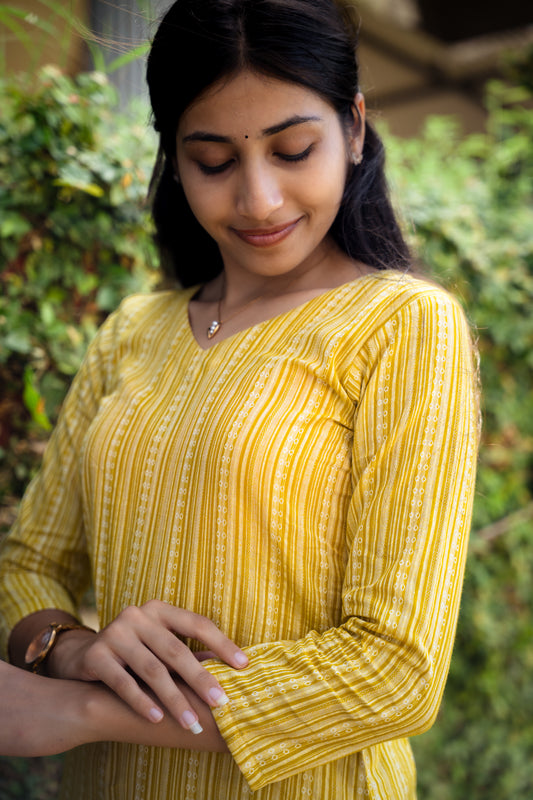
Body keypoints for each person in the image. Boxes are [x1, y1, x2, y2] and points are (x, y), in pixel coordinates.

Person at [0, 0, 480, 797]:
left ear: (354, 129)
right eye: (215, 161)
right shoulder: (132, 333)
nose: (258, 200)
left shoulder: (400, 325)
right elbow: (30, 564)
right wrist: (72, 650)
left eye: (293, 150)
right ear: (174, 159)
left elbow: (395, 667)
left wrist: (79, 713)